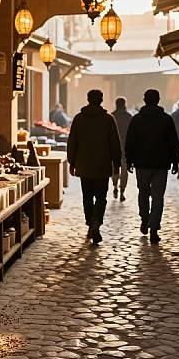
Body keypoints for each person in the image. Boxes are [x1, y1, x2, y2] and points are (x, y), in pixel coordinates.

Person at [125, 89, 179, 244]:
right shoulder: (166, 120)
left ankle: (144, 218)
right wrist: (175, 162)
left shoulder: (136, 120)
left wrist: (129, 161)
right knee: (158, 197)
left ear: (144, 100)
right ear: (158, 100)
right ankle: (154, 227)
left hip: (142, 164)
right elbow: (173, 143)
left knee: (143, 193)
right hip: (161, 165)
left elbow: (130, 142)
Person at [67, 89, 121, 244]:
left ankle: (90, 222)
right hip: (102, 166)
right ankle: (96, 221)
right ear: (101, 100)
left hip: (84, 166)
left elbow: (72, 142)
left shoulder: (78, 119)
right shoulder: (108, 119)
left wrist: (72, 162)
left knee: (87, 197)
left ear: (88, 99)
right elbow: (114, 144)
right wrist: (116, 164)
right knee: (101, 197)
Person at [111, 97, 133, 202]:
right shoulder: (129, 117)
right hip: (126, 147)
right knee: (124, 170)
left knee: (114, 168)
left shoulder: (111, 116)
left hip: (113, 147)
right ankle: (122, 192)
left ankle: (115, 186)